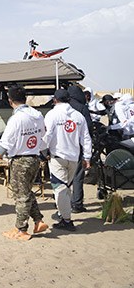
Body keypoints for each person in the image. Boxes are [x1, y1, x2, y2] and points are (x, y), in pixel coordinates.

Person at [0, 85, 48, 240]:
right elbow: (43, 137)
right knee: (27, 192)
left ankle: (21, 229)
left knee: (20, 196)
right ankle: (38, 221)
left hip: (20, 160)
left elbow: (5, 143)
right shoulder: (37, 115)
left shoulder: (16, 118)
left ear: (10, 101)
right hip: (34, 158)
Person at [43, 89, 92, 232]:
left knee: (60, 189)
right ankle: (62, 213)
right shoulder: (78, 116)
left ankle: (67, 220)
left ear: (55, 100)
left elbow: (47, 135)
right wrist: (87, 157)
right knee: (66, 188)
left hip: (58, 157)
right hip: (74, 158)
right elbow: (86, 138)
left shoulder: (52, 114)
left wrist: (42, 152)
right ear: (69, 100)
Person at [68, 85, 93, 214]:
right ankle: (77, 204)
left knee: (63, 178)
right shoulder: (82, 108)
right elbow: (88, 129)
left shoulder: (60, 108)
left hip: (62, 150)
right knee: (78, 176)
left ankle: (62, 205)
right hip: (77, 148)